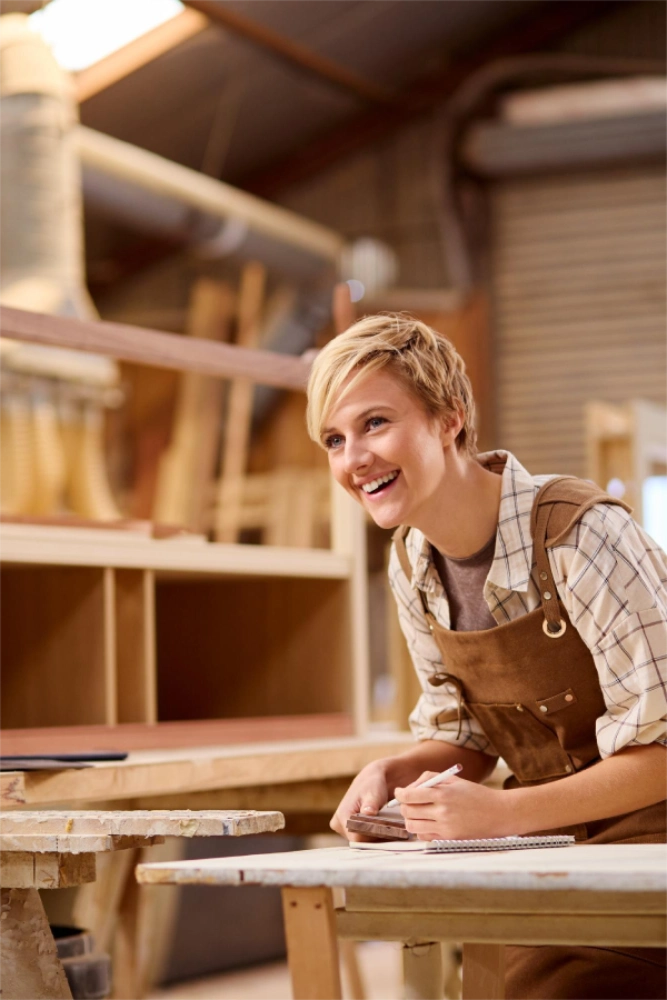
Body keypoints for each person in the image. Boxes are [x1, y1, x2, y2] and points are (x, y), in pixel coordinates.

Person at [305, 312, 667, 999]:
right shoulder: (412, 561)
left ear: (449, 418)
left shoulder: (580, 537)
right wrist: (395, 773)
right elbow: (463, 736)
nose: (353, 459)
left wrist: (500, 815)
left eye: (375, 423)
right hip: (551, 853)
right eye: (333, 438)